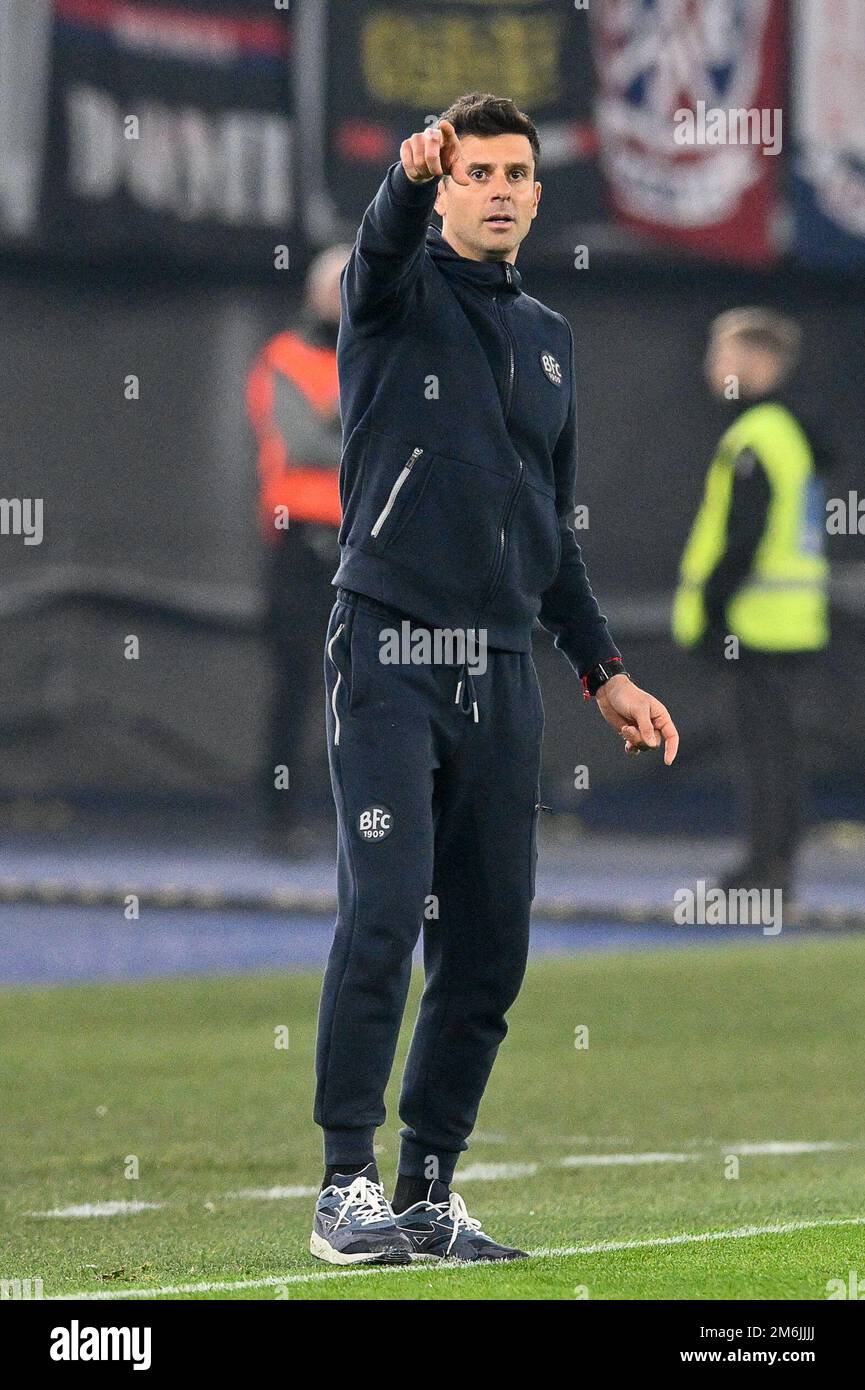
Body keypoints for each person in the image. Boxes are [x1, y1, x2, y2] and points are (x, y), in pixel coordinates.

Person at [311, 93, 678, 1266]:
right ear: (450, 184)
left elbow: (550, 529)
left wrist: (603, 669)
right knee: (381, 915)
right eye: (481, 172)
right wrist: (405, 181)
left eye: (521, 171)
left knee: (488, 950)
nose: (507, 188)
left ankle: (426, 1190)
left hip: (501, 669)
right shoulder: (395, 295)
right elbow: (374, 249)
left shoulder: (553, 337)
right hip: (386, 648)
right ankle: (343, 1188)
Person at [672, 308, 831, 900]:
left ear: (756, 363)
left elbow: (743, 537)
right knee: (774, 750)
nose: (713, 367)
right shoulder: (789, 433)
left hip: (756, 623)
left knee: (763, 750)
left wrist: (713, 611)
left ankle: (768, 871)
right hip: (787, 622)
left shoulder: (757, 435)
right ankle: (770, 865)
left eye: (723, 353)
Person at [246, 245, 352, 855]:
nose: (344, 297)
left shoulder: (376, 356)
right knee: (293, 682)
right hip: (298, 545)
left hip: (361, 544)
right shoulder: (283, 357)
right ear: (314, 293)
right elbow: (305, 442)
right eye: (336, 286)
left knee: (370, 685)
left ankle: (370, 823)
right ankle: (278, 817)